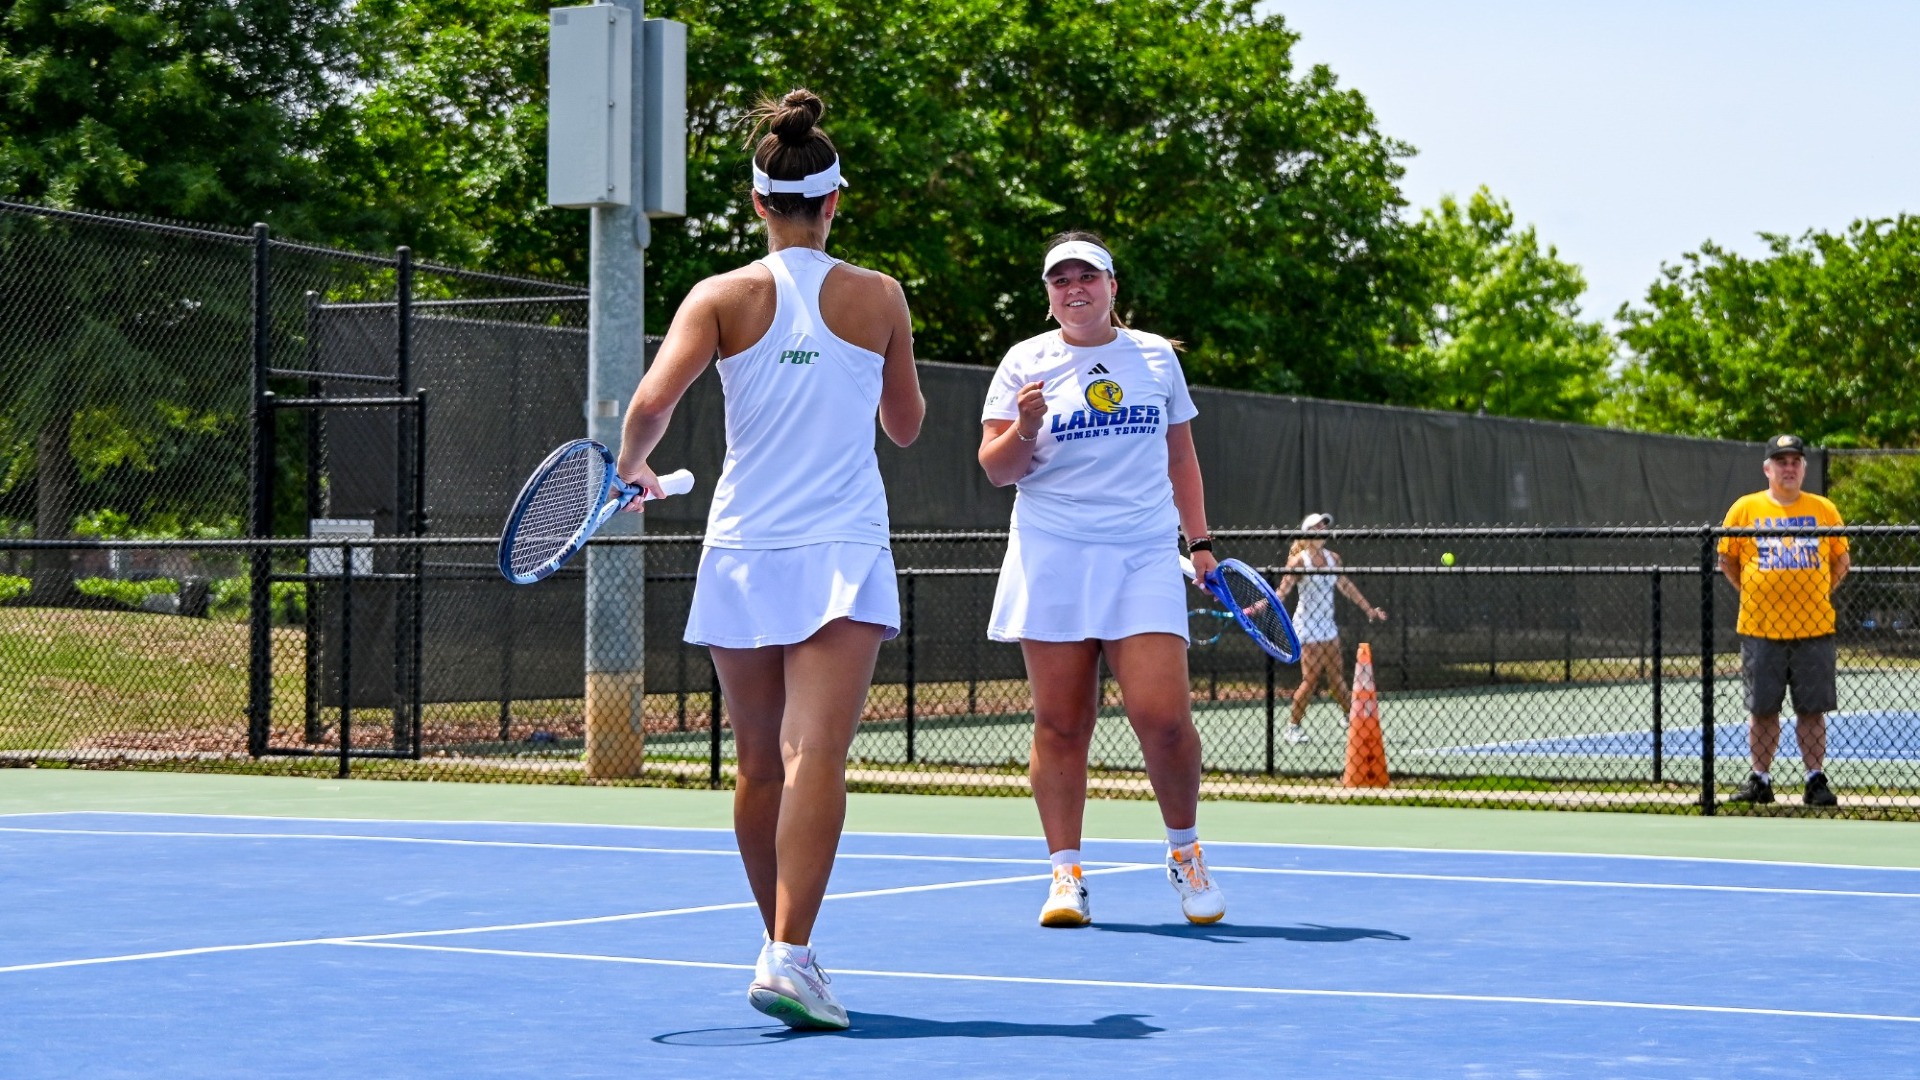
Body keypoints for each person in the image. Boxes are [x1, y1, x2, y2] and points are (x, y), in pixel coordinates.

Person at [614, 89, 923, 1029]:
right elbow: (905, 429)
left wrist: (632, 470)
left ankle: (785, 948)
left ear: (758, 203)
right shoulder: (881, 296)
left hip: (742, 548)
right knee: (814, 753)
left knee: (760, 766)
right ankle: (790, 953)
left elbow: (648, 407)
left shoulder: (718, 296)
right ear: (837, 201)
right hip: (840, 546)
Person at [978, 231, 1226, 929]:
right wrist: (1024, 427)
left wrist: (1199, 542)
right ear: (1049, 293)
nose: (1074, 289)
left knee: (1165, 720)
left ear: (1113, 287)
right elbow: (998, 469)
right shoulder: (1023, 362)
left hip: (1143, 556)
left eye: (1087, 276)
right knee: (1061, 724)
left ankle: (1186, 854)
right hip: (1052, 554)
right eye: (1060, 280)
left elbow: (1181, 456)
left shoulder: (1154, 357)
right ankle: (1065, 876)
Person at [1719, 435, 1849, 808]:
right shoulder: (1745, 509)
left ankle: (1814, 780)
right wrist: (1754, 590)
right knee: (1763, 710)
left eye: (1795, 461)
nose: (1788, 468)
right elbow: (1727, 559)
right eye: (1781, 461)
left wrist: (1818, 591)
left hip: (1814, 628)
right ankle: (1760, 779)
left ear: (1804, 468)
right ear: (1767, 469)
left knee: (1811, 710)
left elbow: (1841, 561)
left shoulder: (1823, 509)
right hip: (1760, 628)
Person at [1273, 512, 1386, 745]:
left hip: (1328, 626)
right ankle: (1292, 728)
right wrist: (1261, 606)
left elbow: (1346, 586)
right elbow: (1281, 592)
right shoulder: (1299, 562)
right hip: (1306, 626)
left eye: (1324, 526)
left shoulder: (1333, 558)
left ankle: (1350, 717)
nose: (1322, 529)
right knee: (1311, 679)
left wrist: (1369, 610)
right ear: (1306, 534)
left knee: (1336, 679)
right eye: (1317, 527)